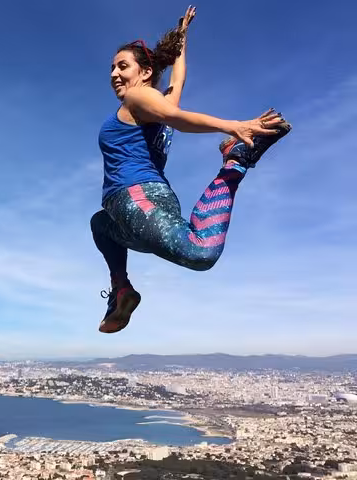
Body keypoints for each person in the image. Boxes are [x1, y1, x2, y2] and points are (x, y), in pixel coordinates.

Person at [90, 6, 291, 334]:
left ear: (144, 72)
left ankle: (236, 162)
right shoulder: (153, 102)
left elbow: (176, 119)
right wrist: (182, 35)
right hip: (146, 207)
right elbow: (178, 80)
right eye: (112, 67)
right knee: (99, 224)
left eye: (122, 66)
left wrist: (234, 126)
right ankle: (121, 289)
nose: (113, 73)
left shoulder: (138, 97)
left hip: (135, 199)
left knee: (201, 252)